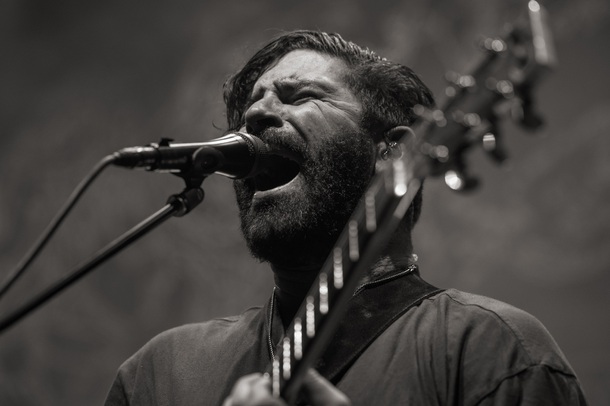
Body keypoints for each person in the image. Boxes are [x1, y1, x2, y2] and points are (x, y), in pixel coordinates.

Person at [105, 31, 587, 405]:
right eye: (250, 107)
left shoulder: (489, 348)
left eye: (298, 96)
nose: (255, 116)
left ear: (395, 150)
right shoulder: (160, 373)